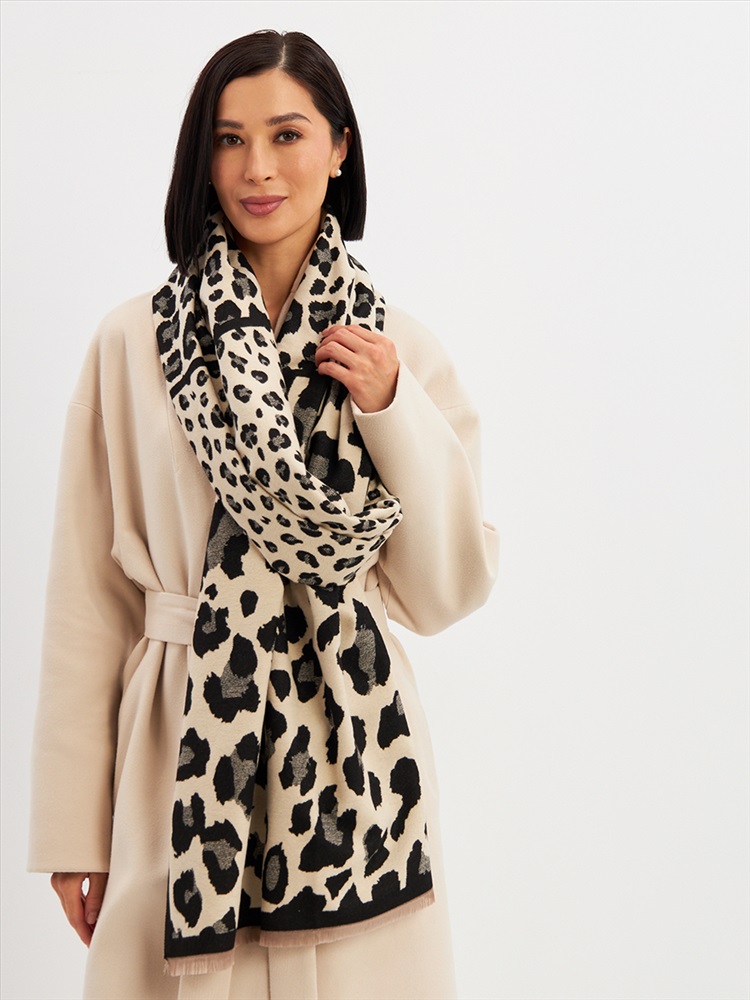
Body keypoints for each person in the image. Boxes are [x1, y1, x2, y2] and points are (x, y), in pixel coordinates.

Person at [26, 29, 499, 1000]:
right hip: (176, 749)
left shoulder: (397, 348)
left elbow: (445, 591)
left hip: (356, 771)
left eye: (287, 135)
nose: (258, 169)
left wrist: (391, 407)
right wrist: (72, 829)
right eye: (229, 139)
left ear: (340, 146)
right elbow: (88, 597)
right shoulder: (133, 343)